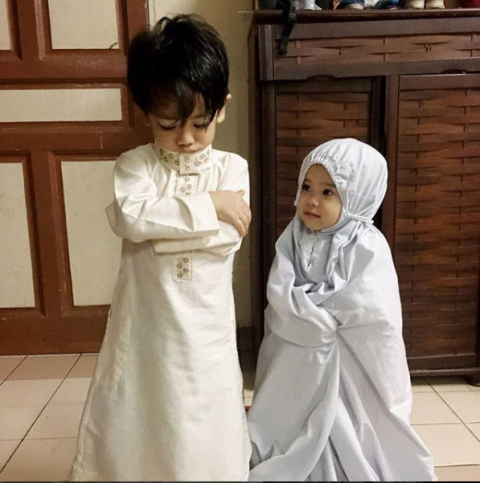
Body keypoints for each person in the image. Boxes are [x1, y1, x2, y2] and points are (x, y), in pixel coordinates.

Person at [71, 14, 252, 481]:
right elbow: (132, 218)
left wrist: (160, 225)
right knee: (143, 409)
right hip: (146, 322)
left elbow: (226, 237)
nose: (185, 139)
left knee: (205, 411)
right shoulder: (135, 165)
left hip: (206, 327)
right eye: (168, 124)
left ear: (222, 108)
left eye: (199, 123)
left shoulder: (232, 169)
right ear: (146, 112)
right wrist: (209, 205)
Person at [247, 138, 436, 481]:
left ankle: (346, 459)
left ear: (357, 197)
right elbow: (280, 284)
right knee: (290, 408)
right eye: (307, 187)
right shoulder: (293, 234)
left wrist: (325, 318)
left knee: (348, 416)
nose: (312, 200)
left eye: (328, 192)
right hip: (297, 349)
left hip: (348, 357)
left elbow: (370, 304)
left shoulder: (367, 244)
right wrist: (303, 314)